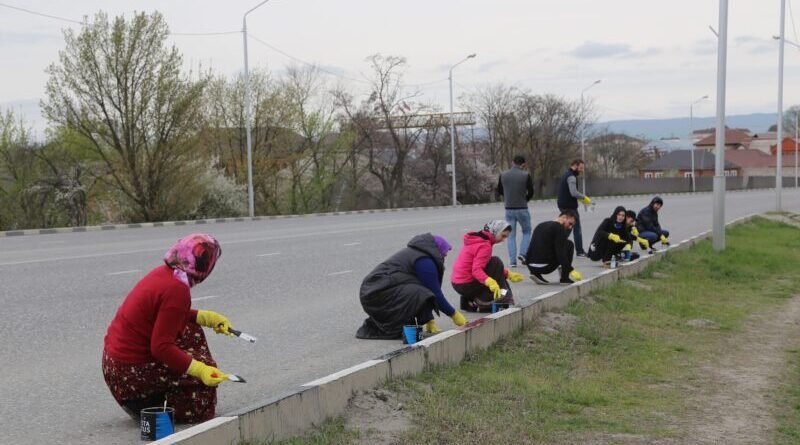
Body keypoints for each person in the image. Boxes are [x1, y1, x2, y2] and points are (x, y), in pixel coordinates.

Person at [102, 233, 233, 423]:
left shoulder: (163, 273)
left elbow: (167, 313)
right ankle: (149, 405)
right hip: (131, 376)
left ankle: (144, 399)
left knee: (192, 331)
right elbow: (161, 347)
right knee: (203, 395)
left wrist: (205, 318)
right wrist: (200, 370)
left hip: (114, 367)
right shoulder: (177, 290)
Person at [356, 233, 467, 339]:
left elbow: (427, 292)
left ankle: (398, 325)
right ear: (436, 250)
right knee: (417, 292)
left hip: (375, 290)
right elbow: (435, 294)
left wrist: (429, 319)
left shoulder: (419, 255)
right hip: (374, 291)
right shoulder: (424, 261)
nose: (446, 255)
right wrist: (454, 315)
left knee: (418, 291)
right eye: (444, 252)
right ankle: (392, 328)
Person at [451, 220, 523, 312]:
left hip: (458, 283)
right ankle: (492, 300)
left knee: (495, 263)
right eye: (503, 236)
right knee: (496, 262)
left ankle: (471, 299)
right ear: (495, 232)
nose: (503, 240)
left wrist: (507, 273)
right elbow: (476, 270)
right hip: (466, 284)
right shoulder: (484, 245)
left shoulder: (478, 240)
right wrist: (489, 282)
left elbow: (486, 264)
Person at [525, 209, 585, 284]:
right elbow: (560, 253)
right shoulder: (559, 228)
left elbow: (530, 249)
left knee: (558, 245)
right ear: (564, 217)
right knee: (569, 245)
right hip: (545, 267)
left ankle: (536, 274)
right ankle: (564, 278)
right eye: (570, 223)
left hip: (531, 266)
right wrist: (570, 269)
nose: (570, 227)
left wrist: (530, 267)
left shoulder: (541, 225)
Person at [497, 154, 534, 267]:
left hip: (509, 209)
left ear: (512, 162)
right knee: (527, 232)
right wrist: (525, 199)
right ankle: (523, 254)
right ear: (523, 164)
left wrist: (508, 196)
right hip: (522, 208)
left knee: (511, 235)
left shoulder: (503, 175)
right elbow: (531, 191)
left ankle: (513, 262)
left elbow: (499, 190)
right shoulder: (526, 175)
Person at [557, 159, 592, 257]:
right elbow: (574, 192)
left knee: (566, 227)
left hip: (563, 204)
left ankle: (557, 247)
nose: (582, 170)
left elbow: (569, 192)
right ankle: (579, 251)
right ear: (575, 166)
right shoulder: (572, 177)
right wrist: (584, 197)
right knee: (574, 228)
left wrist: (581, 200)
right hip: (569, 207)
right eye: (580, 168)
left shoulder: (566, 174)